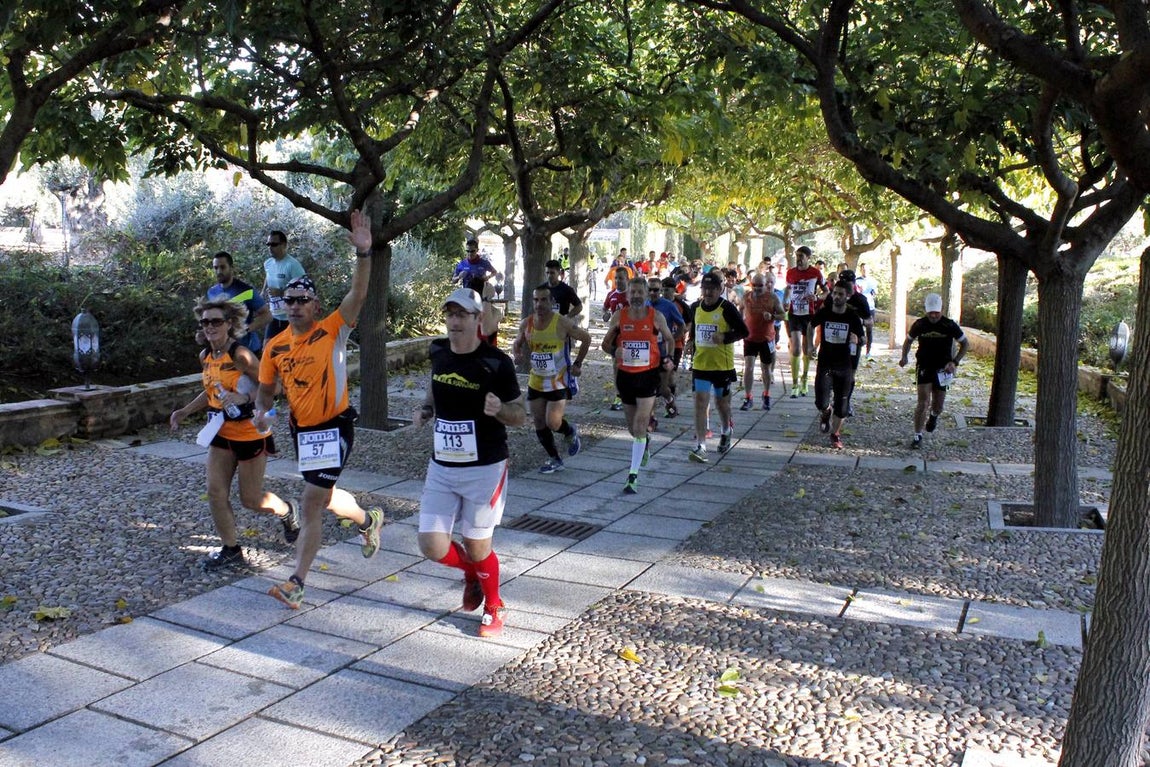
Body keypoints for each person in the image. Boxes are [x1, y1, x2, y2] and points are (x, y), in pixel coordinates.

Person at [255, 210, 384, 609]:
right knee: (324, 499)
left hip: (335, 426)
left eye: (301, 301)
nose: (293, 307)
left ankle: (297, 582)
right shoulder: (274, 347)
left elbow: (358, 295)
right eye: (288, 300)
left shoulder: (332, 329)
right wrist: (262, 414)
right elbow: (264, 393)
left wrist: (364, 254)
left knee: (310, 500)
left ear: (314, 304)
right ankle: (368, 520)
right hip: (302, 430)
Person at [413, 287, 526, 637]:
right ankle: (473, 573)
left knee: (479, 546)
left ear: (478, 319)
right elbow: (435, 384)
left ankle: (494, 605)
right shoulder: (439, 352)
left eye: (462, 314)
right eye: (450, 314)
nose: (455, 321)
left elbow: (520, 415)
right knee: (431, 545)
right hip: (443, 467)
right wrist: (427, 408)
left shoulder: (496, 363)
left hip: (485, 469)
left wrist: (500, 410)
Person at [169, 298, 299, 570]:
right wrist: (184, 411)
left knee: (250, 499)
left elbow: (274, 386)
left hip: (251, 433)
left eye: (216, 321)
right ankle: (231, 549)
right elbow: (211, 391)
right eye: (205, 322)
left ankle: (287, 511)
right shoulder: (206, 356)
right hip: (221, 432)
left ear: (229, 324)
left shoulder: (240, 355)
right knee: (215, 493)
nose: (210, 327)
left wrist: (244, 397)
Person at [602, 278, 675, 493]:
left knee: (642, 421)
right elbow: (606, 344)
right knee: (633, 429)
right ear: (627, 295)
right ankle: (644, 441)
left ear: (646, 295)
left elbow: (670, 339)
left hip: (648, 375)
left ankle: (632, 476)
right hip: (626, 376)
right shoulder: (619, 316)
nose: (635, 296)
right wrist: (613, 351)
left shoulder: (656, 316)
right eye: (632, 292)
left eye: (639, 292)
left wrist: (669, 357)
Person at [513, 284, 592, 473]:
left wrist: (577, 364)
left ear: (552, 302)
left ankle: (569, 431)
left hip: (558, 381)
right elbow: (517, 342)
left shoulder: (562, 323)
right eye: (536, 300)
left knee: (553, 422)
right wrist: (516, 353)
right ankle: (554, 458)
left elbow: (586, 338)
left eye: (543, 300)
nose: (539, 304)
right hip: (536, 381)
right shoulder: (527, 323)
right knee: (539, 422)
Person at [684, 271, 749, 462]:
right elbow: (695, 328)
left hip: (722, 366)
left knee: (722, 404)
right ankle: (700, 445)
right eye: (706, 288)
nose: (709, 292)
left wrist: (725, 337)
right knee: (700, 403)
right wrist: (691, 341)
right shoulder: (695, 307)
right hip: (701, 364)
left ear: (720, 289)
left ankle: (726, 430)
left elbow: (744, 331)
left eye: (713, 289)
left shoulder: (727, 308)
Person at [899, 293, 969, 448]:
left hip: (943, 369)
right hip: (924, 365)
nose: (933, 316)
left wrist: (954, 362)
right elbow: (908, 341)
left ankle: (934, 416)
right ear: (926, 311)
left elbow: (965, 344)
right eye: (931, 312)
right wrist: (904, 357)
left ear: (941, 310)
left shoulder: (949, 325)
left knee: (938, 405)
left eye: (936, 313)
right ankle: (917, 435)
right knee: (923, 402)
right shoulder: (919, 324)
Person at [810, 281, 866, 450]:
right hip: (825, 363)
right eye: (834, 293)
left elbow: (863, 339)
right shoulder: (825, 312)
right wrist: (810, 345)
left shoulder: (852, 317)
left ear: (847, 296)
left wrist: (858, 341)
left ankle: (835, 434)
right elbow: (810, 325)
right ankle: (826, 413)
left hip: (844, 365)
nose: (836, 297)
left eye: (841, 294)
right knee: (821, 402)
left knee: (842, 408)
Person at [207, 251, 272, 355]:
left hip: (249, 350)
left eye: (222, 267)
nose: (219, 271)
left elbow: (267, 315)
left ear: (231, 268)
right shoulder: (211, 292)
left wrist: (245, 329)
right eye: (216, 268)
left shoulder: (246, 290)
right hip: (224, 351)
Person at [738, 272, 786, 411]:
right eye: (754, 285)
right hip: (750, 338)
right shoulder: (747, 297)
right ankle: (748, 397)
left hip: (766, 338)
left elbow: (783, 315)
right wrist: (741, 324)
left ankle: (766, 395)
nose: (757, 288)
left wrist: (772, 316)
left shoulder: (773, 297)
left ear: (766, 285)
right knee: (749, 367)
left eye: (760, 285)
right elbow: (740, 309)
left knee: (766, 369)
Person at [784, 246, 826, 397]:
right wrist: (785, 300)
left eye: (801, 256)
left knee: (807, 347)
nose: (799, 259)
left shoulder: (815, 273)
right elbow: (788, 289)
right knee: (795, 348)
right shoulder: (791, 272)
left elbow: (826, 291)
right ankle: (794, 383)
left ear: (808, 257)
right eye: (797, 256)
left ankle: (805, 379)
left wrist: (817, 298)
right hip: (794, 313)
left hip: (809, 314)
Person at [262, 229, 306, 344]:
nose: (270, 247)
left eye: (274, 244)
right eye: (268, 244)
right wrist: (263, 292)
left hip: (291, 317)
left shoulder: (293, 265)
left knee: (292, 352)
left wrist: (281, 293)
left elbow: (304, 290)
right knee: (267, 348)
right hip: (275, 315)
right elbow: (268, 276)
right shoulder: (268, 263)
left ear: (284, 245)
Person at [661, 277, 690, 417]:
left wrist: (681, 334)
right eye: (664, 289)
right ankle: (668, 401)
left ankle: (670, 405)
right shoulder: (656, 304)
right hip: (660, 345)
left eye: (668, 289)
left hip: (676, 345)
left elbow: (689, 322)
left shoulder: (681, 305)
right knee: (660, 378)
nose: (665, 292)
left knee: (671, 375)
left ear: (674, 290)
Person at [854, 262, 879, 357]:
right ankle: (857, 348)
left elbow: (875, 293)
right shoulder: (857, 281)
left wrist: (874, 293)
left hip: (870, 308)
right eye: (863, 269)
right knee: (858, 329)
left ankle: (868, 351)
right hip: (859, 308)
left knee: (869, 329)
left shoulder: (873, 281)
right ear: (861, 270)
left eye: (866, 269)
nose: (865, 270)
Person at [471, 279, 503, 346]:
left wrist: (486, 299)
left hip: (487, 354)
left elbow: (486, 330)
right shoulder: (465, 311)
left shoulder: (495, 312)